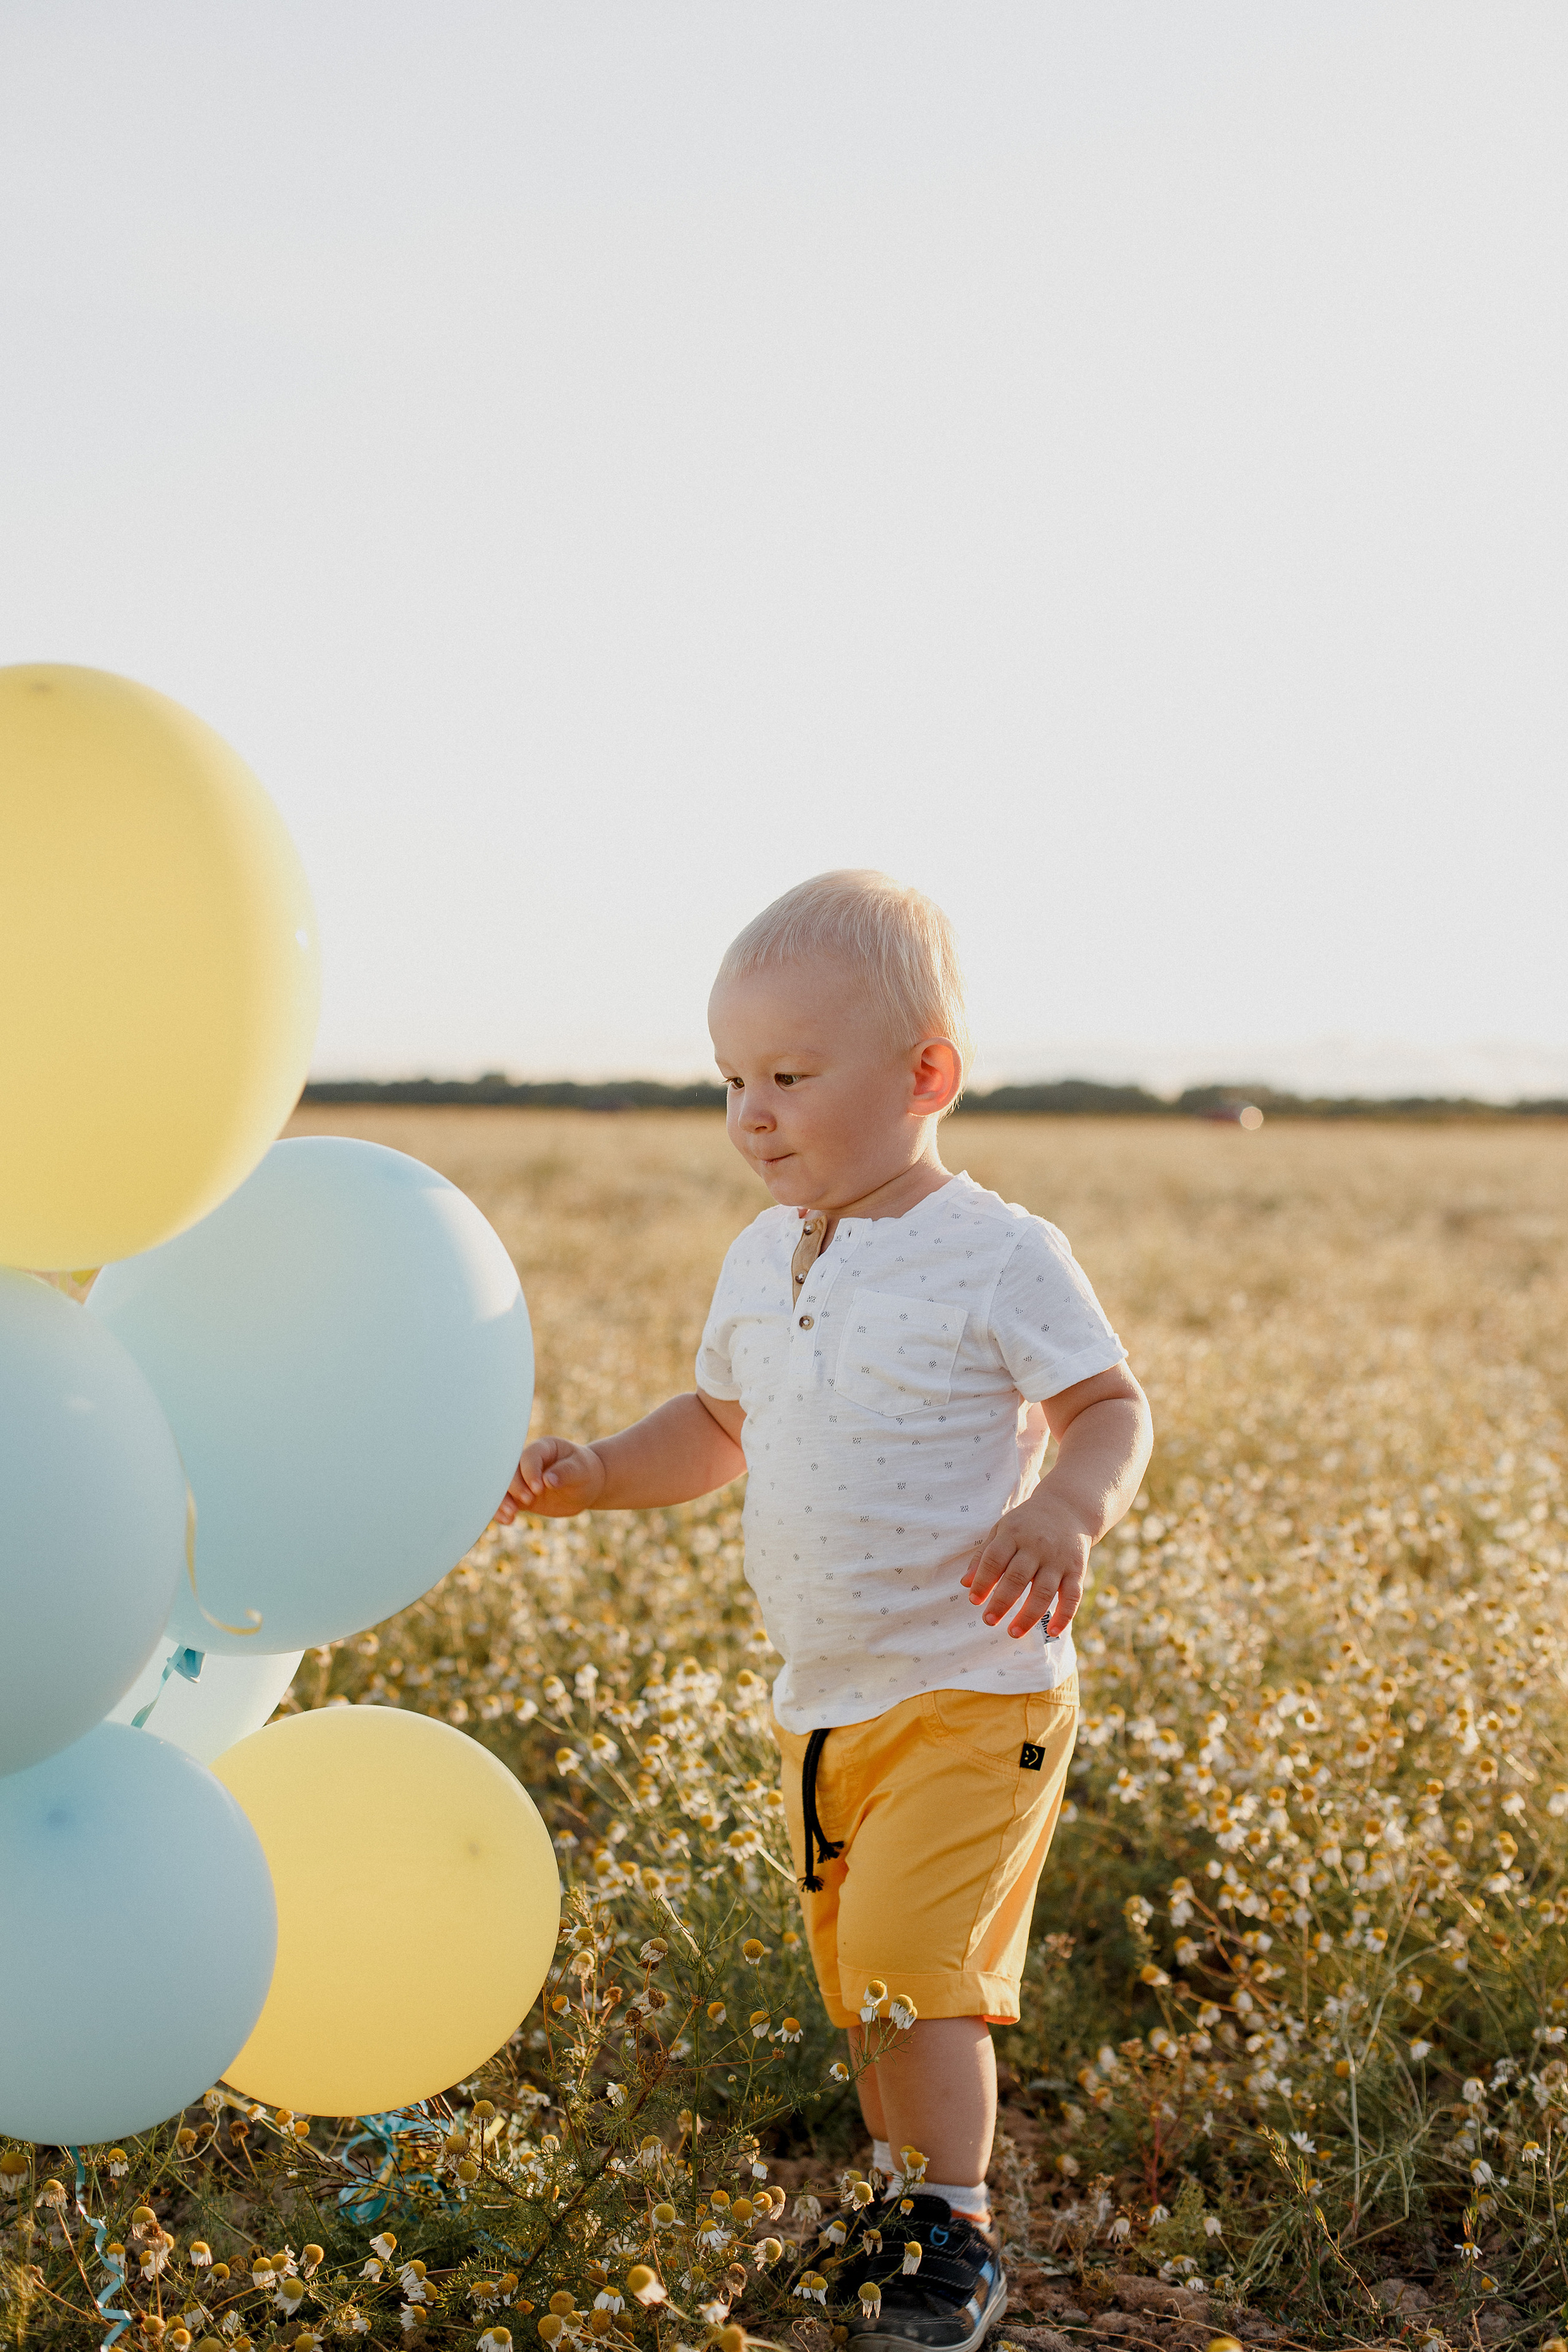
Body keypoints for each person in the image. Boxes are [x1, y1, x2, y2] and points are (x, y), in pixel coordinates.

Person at [497, 870, 1153, 2352]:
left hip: (973, 1686)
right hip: (827, 1699)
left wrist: (1061, 1508)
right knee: (867, 1990)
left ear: (925, 1078)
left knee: (920, 1979)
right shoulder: (759, 1255)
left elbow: (1109, 1404)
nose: (752, 1112)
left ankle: (952, 2238)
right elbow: (718, 1424)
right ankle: (901, 2205)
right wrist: (596, 1471)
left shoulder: (997, 1250)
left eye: (789, 1076)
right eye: (731, 1080)